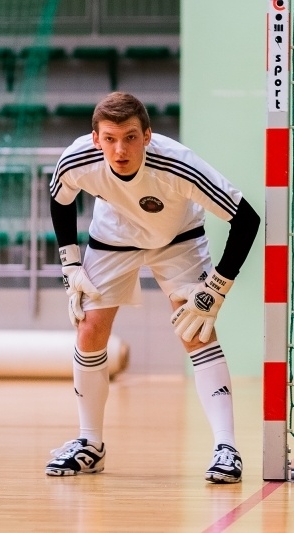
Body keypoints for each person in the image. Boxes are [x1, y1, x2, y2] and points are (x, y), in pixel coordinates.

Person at [45, 92, 260, 483]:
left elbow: (246, 219)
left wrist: (217, 287)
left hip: (178, 237)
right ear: (96, 139)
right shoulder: (78, 158)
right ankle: (90, 444)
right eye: (109, 138)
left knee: (196, 329)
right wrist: (70, 262)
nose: (119, 148)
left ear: (147, 135)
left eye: (129, 137)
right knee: (89, 328)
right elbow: (60, 197)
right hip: (114, 237)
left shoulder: (179, 166)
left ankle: (226, 448)